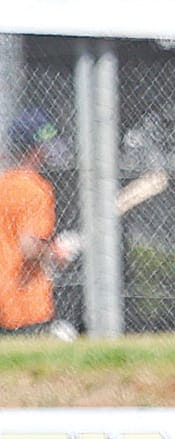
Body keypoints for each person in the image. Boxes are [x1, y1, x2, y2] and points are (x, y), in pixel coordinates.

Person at [0, 109, 76, 335]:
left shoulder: (3, 185)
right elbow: (29, 246)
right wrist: (56, 252)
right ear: (36, 150)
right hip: (23, 306)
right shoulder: (36, 189)